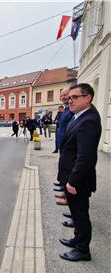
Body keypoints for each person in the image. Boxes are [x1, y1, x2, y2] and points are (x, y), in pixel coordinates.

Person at [57, 83, 101, 262]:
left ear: (88, 98)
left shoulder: (89, 120)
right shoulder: (79, 116)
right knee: (76, 213)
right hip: (71, 175)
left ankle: (83, 250)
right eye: (69, 97)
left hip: (77, 180)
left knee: (81, 215)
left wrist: (73, 181)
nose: (70, 100)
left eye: (75, 97)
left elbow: (85, 157)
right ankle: (77, 240)